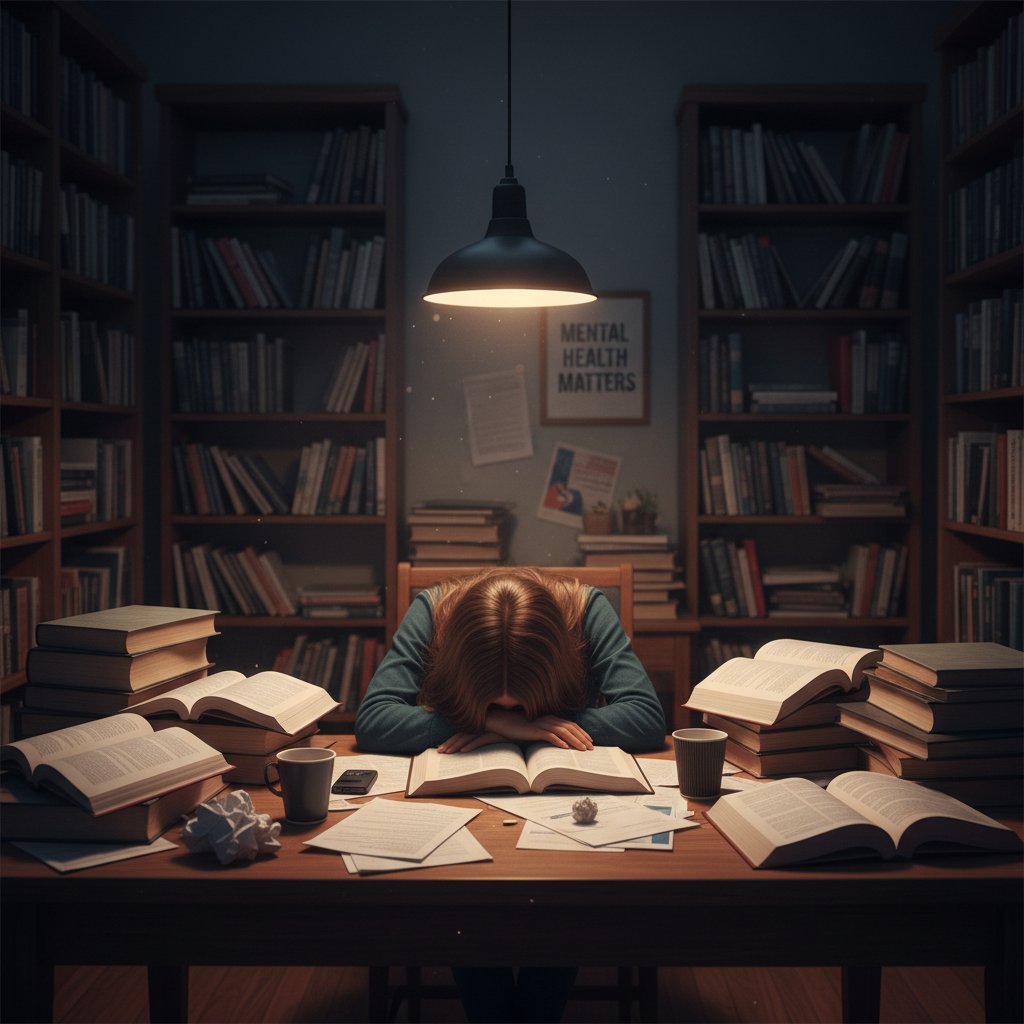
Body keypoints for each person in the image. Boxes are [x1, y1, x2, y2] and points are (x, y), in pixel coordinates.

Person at [355, 567, 666, 1023]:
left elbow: (644, 716)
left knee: (563, 875)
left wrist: (510, 725)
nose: (508, 713)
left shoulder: (587, 609)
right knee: (461, 873)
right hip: (464, 798)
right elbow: (374, 719)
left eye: (520, 705)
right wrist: (499, 724)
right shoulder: (432, 610)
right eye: (493, 705)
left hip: (561, 801)